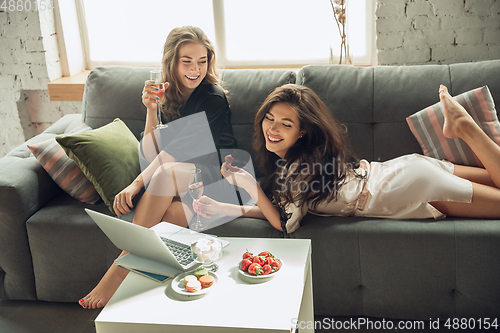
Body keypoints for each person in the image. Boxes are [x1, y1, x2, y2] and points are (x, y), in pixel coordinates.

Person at [194, 83, 500, 235]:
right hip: (409, 168)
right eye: (269, 118)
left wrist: (248, 183)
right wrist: (225, 207)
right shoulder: (302, 162)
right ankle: (463, 127)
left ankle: (465, 128)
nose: (272, 129)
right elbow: (279, 207)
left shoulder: (299, 169)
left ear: (302, 132)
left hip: (415, 186)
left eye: (286, 124)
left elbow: (284, 224)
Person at [79, 26, 237, 309]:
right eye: (187, 61)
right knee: (170, 217)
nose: (195, 69)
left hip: (214, 175)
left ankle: (119, 269)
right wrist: (151, 108)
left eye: (202, 61)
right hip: (181, 181)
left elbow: (172, 154)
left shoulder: (211, 97)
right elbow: (150, 148)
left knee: (165, 174)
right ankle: (153, 300)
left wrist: (136, 183)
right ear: (171, 62)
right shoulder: (170, 94)